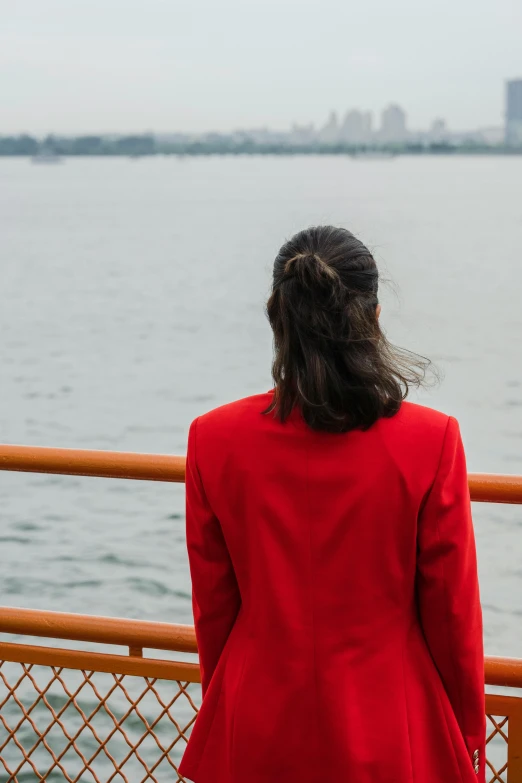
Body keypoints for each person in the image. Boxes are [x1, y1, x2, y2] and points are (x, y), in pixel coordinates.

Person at [178, 225, 485, 783]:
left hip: (255, 719)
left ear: (276, 315)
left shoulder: (212, 438)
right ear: (373, 317)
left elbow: (214, 609)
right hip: (393, 723)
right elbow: (452, 614)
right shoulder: (433, 440)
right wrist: (466, 737)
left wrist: (227, 704)